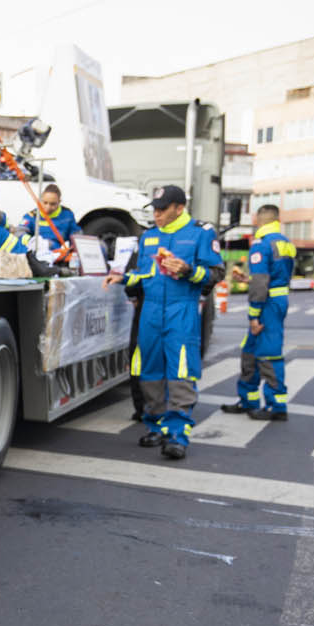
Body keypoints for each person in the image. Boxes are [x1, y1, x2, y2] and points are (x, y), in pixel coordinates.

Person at [101, 185, 224, 459]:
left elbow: (216, 273)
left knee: (180, 373)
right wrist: (123, 278)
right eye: (154, 209)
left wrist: (189, 270)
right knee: (149, 370)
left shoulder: (200, 234)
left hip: (182, 311)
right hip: (150, 312)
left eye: (162, 209)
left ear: (179, 208)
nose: (156, 214)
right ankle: (156, 425)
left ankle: (177, 435)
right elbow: (144, 275)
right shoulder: (149, 238)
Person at [221, 204, 293, 421]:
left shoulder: (261, 245)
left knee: (269, 353)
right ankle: (248, 399)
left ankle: (276, 406)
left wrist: (254, 316)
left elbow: (261, 284)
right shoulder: (285, 243)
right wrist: (248, 279)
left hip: (267, 304)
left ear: (259, 219)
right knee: (250, 350)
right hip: (277, 299)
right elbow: (275, 276)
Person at [20, 183, 79, 255]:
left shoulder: (67, 215)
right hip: (36, 254)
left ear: (59, 202)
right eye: (45, 203)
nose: (48, 207)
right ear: (40, 200)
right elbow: (19, 233)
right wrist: (33, 242)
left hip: (59, 255)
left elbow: (77, 236)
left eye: (52, 204)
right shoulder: (32, 216)